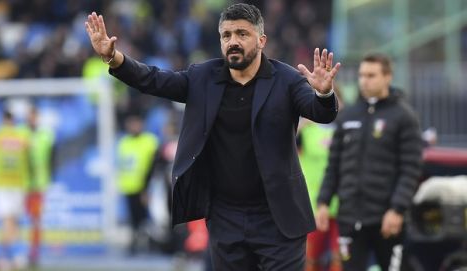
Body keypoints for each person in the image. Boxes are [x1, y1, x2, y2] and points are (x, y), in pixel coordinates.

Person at [85, 3, 341, 270]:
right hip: (225, 216)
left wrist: (323, 94)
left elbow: (320, 113)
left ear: (261, 40)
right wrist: (114, 58)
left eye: (242, 34)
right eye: (226, 35)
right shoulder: (202, 77)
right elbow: (154, 80)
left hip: (279, 216)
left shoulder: (287, 79)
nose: (233, 41)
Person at [316, 53, 423, 271]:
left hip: (386, 219)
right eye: (361, 75)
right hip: (350, 217)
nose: (364, 80)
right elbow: (334, 165)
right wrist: (323, 201)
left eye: (371, 75)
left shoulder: (404, 117)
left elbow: (411, 168)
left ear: (387, 77)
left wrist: (397, 209)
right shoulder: (347, 116)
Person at [297, 88, 343, 271]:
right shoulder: (306, 130)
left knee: (339, 257)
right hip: (311, 204)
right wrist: (299, 125)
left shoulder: (344, 130)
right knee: (310, 258)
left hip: (340, 203)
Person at [0, 110, 30, 270]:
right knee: (13, 221)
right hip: (17, 183)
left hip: (1, 183)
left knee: (8, 221)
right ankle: (15, 256)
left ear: (3, 120)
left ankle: (6, 257)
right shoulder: (21, 137)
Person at [117, 115, 158, 255]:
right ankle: (135, 243)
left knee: (148, 217)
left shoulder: (150, 141)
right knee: (134, 218)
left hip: (146, 187)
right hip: (129, 186)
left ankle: (151, 243)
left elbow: (153, 166)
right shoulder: (124, 142)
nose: (134, 126)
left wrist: (148, 188)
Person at [24, 107, 55, 267]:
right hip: (21, 184)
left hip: (38, 185)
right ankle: (17, 251)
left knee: (36, 220)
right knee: (19, 218)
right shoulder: (21, 134)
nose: (32, 120)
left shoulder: (46, 135)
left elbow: (52, 158)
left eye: (34, 117)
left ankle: (34, 252)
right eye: (30, 117)